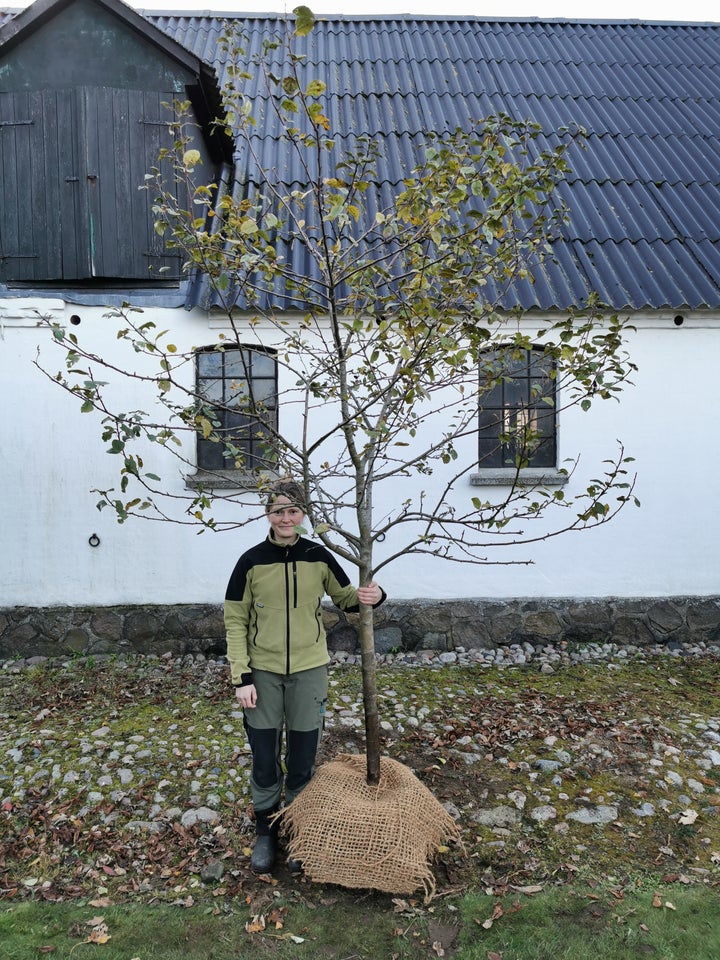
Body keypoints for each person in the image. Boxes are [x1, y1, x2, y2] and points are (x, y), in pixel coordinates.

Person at [224, 480, 386, 874]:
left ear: (303, 515)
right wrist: (241, 678)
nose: (285, 518)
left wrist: (375, 595)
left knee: (301, 758)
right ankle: (266, 829)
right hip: (261, 672)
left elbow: (348, 598)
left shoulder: (318, 555)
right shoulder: (250, 561)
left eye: (293, 511)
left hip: (309, 671)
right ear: (267, 514)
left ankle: (298, 828)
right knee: (264, 759)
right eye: (278, 510)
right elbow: (234, 620)